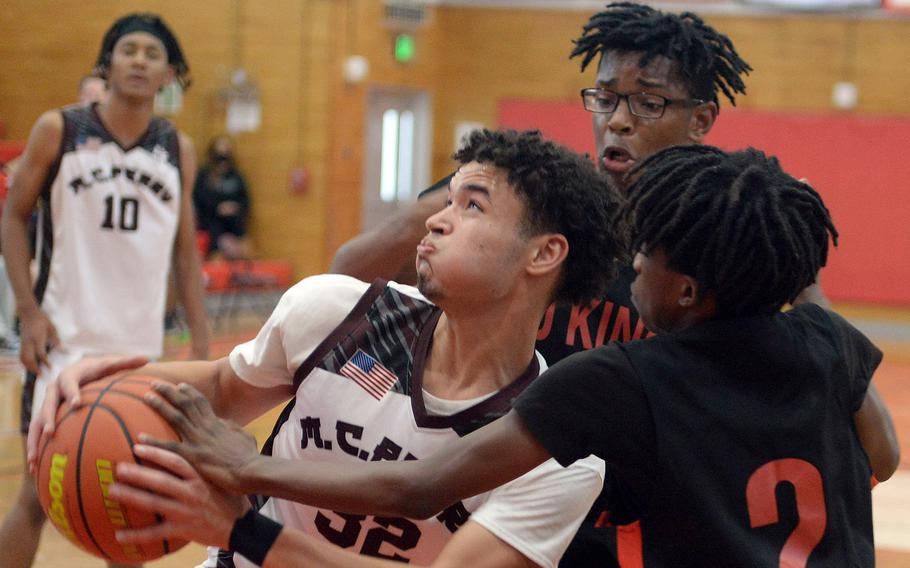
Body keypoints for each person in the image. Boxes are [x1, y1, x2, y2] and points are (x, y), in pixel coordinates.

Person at [105, 145, 898, 568]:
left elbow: (418, 488)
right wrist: (117, 375)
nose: (633, 267)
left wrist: (243, 491)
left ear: (686, 292)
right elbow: (883, 455)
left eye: (647, 251)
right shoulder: (824, 341)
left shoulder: (611, 393)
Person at [34, 129, 625, 568]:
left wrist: (246, 531)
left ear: (543, 254)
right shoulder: (339, 312)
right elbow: (218, 392)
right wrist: (101, 385)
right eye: (445, 203)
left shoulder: (559, 452)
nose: (437, 222)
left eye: (472, 205)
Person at [331, 4, 755, 565]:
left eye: (647, 102)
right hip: (490, 493)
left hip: (626, 521)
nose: (617, 119)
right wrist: (465, 200)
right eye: (604, 97)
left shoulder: (718, 236)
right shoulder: (535, 204)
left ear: (701, 120)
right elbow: (349, 271)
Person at [0, 12, 209, 568]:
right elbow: (13, 217)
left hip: (140, 356)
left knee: (129, 507)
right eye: (128, 50)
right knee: (34, 497)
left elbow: (186, 257)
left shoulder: (177, 148)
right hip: (63, 346)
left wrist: (207, 352)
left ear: (169, 74)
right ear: (108, 63)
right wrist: (28, 311)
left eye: (152, 53)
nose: (140, 59)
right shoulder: (60, 130)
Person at [193, 135, 252, 259]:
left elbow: (245, 200)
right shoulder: (204, 175)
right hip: (211, 223)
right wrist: (218, 208)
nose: (223, 158)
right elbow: (199, 199)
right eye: (219, 154)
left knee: (246, 248)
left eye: (226, 152)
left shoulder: (236, 175)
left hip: (234, 223)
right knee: (217, 249)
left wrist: (235, 207)